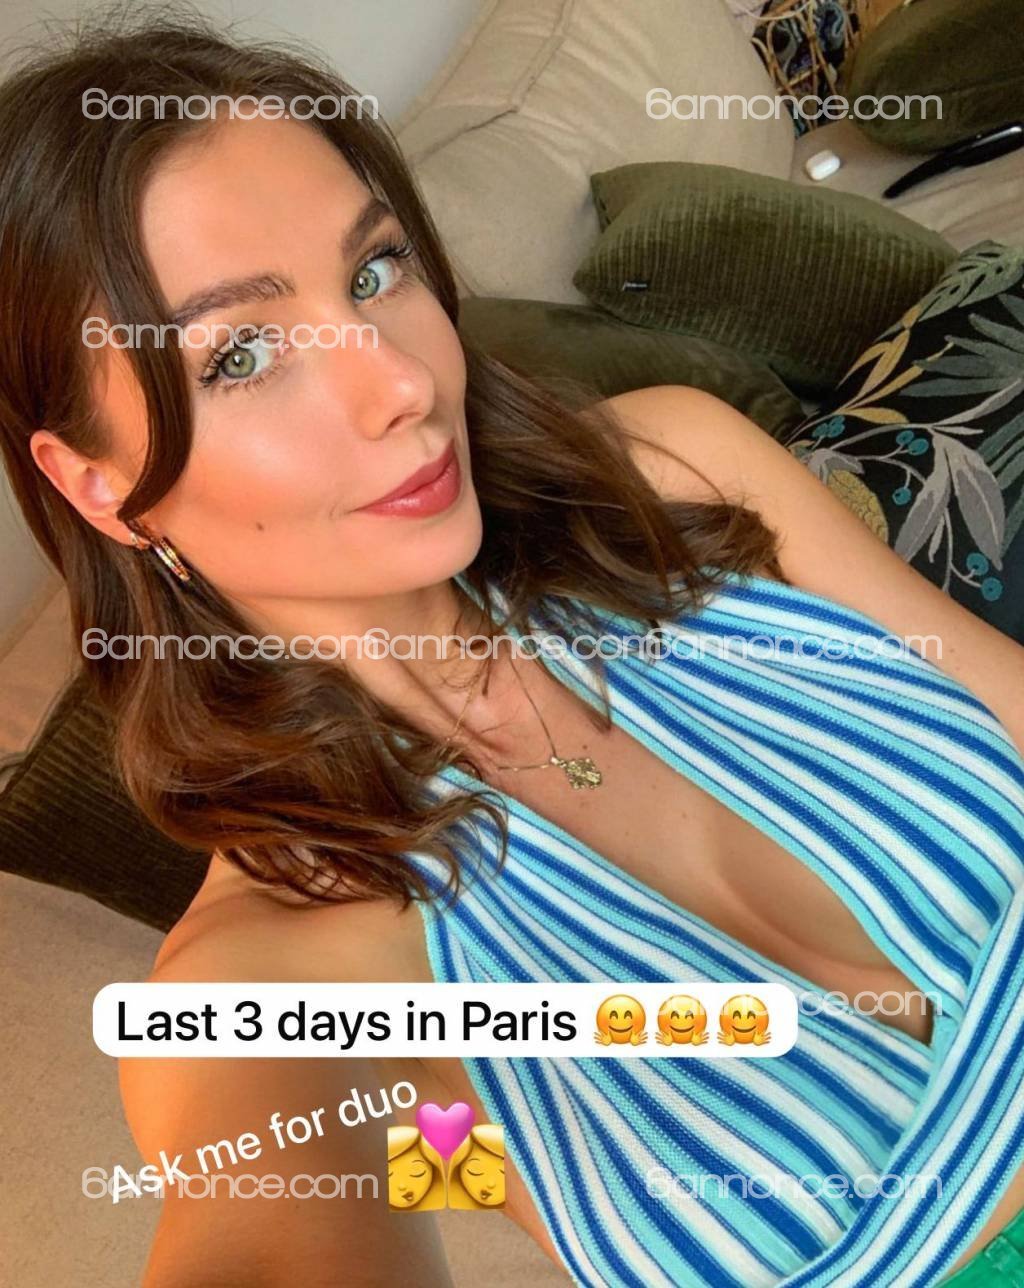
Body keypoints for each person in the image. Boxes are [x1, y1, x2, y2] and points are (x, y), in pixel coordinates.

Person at [3, 11, 1024, 1287]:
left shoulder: (675, 468)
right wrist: (438, 1153)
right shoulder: (270, 974)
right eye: (244, 353)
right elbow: (282, 1199)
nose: (399, 384)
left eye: (373, 272)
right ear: (99, 485)